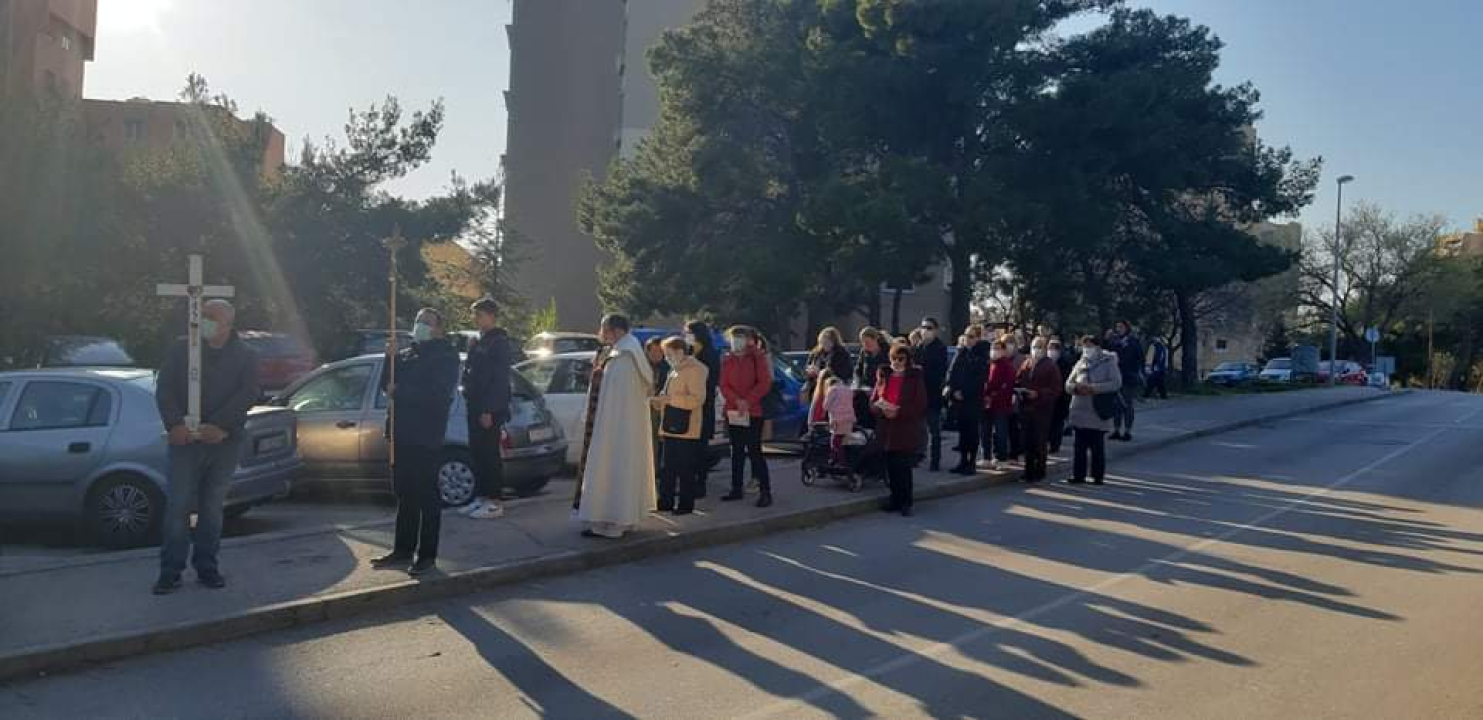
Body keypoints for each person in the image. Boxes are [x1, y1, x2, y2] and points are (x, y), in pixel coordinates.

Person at [153, 299, 260, 595]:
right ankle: (170, 571)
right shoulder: (181, 349)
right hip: (185, 442)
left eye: (213, 317)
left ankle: (207, 567)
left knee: (212, 508)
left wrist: (220, 426)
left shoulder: (246, 355)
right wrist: (174, 424)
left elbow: (248, 393)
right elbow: (166, 389)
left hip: (224, 442)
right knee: (178, 507)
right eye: (204, 317)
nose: (206, 322)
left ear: (228, 322)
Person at [372, 308, 461, 576]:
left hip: (425, 435)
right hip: (402, 433)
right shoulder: (409, 353)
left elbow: (437, 394)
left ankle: (427, 555)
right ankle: (402, 549)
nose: (420, 326)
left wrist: (403, 392)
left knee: (427, 496)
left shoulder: (445, 356)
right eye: (418, 321)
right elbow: (387, 385)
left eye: (426, 322)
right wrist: (389, 359)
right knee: (405, 493)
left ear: (439, 328)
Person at [573, 314, 657, 538]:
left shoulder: (625, 358)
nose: (601, 332)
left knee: (614, 468)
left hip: (617, 430)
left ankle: (614, 521)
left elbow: (617, 400)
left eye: (603, 328)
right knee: (619, 468)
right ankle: (620, 519)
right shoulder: (625, 352)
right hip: (619, 427)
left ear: (616, 330)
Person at [460, 297, 512, 521]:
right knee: (477, 452)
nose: (475, 319)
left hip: (488, 408)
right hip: (475, 404)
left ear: (491, 316)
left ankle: (494, 501)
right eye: (474, 314)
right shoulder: (480, 341)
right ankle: (481, 497)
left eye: (479, 314)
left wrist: (489, 409)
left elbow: (498, 379)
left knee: (489, 454)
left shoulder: (498, 343)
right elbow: (472, 372)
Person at [652, 337, 707, 515]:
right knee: (667, 468)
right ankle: (665, 501)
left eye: (669, 353)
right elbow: (667, 394)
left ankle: (685, 504)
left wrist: (670, 400)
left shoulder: (696, 369)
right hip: (669, 425)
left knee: (685, 469)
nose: (667, 357)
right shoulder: (673, 370)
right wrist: (658, 401)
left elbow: (697, 399)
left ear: (680, 351)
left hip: (687, 427)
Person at [871, 343, 928, 516]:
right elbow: (873, 399)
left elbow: (920, 404)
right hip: (886, 428)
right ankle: (894, 499)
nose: (897, 362)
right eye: (894, 359)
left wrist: (899, 412)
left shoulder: (914, 377)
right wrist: (880, 408)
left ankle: (906, 502)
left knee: (903, 466)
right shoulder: (884, 375)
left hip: (904, 427)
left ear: (907, 360)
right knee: (890, 466)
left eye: (901, 359)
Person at [721, 326, 773, 507]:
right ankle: (736, 488)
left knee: (754, 451)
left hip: (753, 411)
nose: (737, 341)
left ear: (749, 339)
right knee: (736, 451)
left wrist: (748, 401)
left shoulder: (757, 357)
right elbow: (724, 384)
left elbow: (764, 382)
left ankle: (765, 491)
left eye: (741, 337)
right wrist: (737, 401)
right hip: (734, 411)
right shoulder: (728, 359)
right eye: (734, 337)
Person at [1065, 334, 1122, 485]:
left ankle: (1097, 476)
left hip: (1097, 410)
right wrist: (1076, 387)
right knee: (1079, 447)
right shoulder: (1080, 362)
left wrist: (1094, 388)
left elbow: (1116, 383)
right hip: (1079, 409)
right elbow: (1068, 384)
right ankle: (1078, 475)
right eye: (1085, 346)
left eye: (1090, 345)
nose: (1087, 349)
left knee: (1097, 447)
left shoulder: (1108, 361)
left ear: (1098, 346)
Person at [1016, 337, 1063, 483]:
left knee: (1039, 441)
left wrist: (1039, 393)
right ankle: (1028, 470)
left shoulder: (1050, 366)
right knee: (1027, 442)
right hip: (1026, 407)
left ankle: (1040, 471)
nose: (1036, 349)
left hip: (1042, 409)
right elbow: (1018, 379)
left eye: (1040, 347)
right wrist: (1018, 390)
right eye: (1034, 346)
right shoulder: (1027, 363)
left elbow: (1056, 389)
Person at [685, 320, 721, 499]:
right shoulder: (689, 352)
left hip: (703, 405)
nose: (686, 336)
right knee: (688, 449)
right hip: (686, 406)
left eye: (688, 332)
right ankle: (689, 482)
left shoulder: (710, 354)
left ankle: (701, 484)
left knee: (700, 447)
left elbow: (711, 381)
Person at [946, 325, 989, 474]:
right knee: (963, 432)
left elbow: (980, 378)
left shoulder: (982, 354)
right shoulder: (961, 352)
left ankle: (971, 463)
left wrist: (964, 392)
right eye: (966, 335)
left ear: (977, 338)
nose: (967, 339)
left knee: (972, 432)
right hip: (959, 400)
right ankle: (962, 461)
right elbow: (952, 372)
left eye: (971, 336)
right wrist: (953, 389)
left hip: (972, 400)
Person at [913, 316, 950, 472]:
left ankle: (935, 461)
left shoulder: (940, 348)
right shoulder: (919, 347)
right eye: (923, 327)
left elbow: (940, 373)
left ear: (935, 330)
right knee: (916, 429)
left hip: (933, 395)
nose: (925, 330)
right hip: (917, 395)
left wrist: (923, 372)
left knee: (934, 430)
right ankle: (917, 456)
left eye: (929, 328)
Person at [981, 339, 1016, 471]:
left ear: (1003, 350)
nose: (994, 351)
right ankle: (986, 457)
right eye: (992, 348)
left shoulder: (1007, 366)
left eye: (997, 349)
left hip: (1000, 405)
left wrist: (993, 396)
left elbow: (1007, 386)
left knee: (1000, 432)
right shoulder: (990, 364)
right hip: (986, 404)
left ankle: (1001, 458)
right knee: (985, 431)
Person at [1109, 320, 1144, 441]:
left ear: (1127, 328)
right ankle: (1116, 429)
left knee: (1127, 404)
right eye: (1117, 327)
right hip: (1116, 376)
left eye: (1121, 327)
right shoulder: (1115, 342)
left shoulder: (1133, 341)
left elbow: (1139, 357)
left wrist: (1135, 371)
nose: (1118, 329)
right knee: (1116, 405)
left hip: (1128, 377)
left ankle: (1128, 430)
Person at [803, 327, 853, 411]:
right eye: (822, 341)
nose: (824, 344)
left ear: (834, 341)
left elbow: (845, 373)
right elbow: (806, 368)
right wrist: (809, 372)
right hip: (815, 387)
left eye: (827, 341)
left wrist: (822, 373)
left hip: (833, 388)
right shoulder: (815, 353)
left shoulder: (841, 353)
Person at [816, 371, 856, 465]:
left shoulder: (832, 390)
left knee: (835, 440)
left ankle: (837, 459)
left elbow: (825, 406)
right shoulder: (848, 389)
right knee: (842, 440)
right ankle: (841, 459)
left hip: (837, 419)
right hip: (849, 418)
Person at [1047, 337, 1075, 454]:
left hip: (1061, 398)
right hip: (1047, 398)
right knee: (1048, 422)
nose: (1051, 351)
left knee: (1057, 422)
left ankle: (1055, 445)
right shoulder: (1045, 362)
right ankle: (1048, 442)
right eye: (1050, 348)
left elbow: (1066, 379)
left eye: (1054, 348)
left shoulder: (1065, 363)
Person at [1144, 335, 1169, 400]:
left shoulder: (1156, 347)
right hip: (1159, 368)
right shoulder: (1161, 347)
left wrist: (1150, 366)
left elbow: (1155, 357)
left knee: (1153, 382)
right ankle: (1163, 395)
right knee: (1158, 382)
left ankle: (1147, 394)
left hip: (1156, 367)